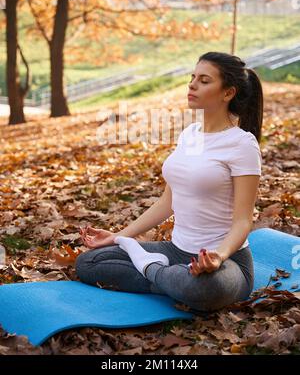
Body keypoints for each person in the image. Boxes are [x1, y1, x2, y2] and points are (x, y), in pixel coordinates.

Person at [75, 51, 263, 312]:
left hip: (226, 262)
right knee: (89, 263)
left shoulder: (242, 144)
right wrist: (118, 237)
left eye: (204, 80)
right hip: (176, 252)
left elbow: (243, 220)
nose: (192, 84)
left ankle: (151, 269)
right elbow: (168, 202)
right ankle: (168, 276)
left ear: (228, 92)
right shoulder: (190, 135)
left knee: (203, 289)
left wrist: (218, 256)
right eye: (192, 77)